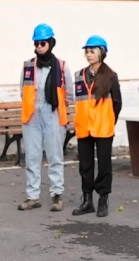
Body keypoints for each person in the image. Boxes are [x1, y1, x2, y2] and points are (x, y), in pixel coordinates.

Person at [18, 24, 68, 212]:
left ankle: (57, 195)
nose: (39, 46)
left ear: (51, 43)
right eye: (36, 43)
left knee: (55, 156)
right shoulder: (28, 65)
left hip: (53, 114)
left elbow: (69, 93)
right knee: (32, 157)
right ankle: (32, 197)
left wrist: (53, 106)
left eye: (43, 43)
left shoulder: (62, 66)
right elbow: (22, 90)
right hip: (32, 116)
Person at [70, 34, 120, 218]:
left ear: (101, 53)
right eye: (87, 51)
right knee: (85, 165)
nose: (89, 54)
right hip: (84, 126)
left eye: (92, 51)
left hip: (103, 127)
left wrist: (108, 120)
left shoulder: (111, 76)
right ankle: (87, 200)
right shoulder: (78, 75)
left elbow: (117, 103)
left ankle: (103, 200)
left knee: (105, 165)